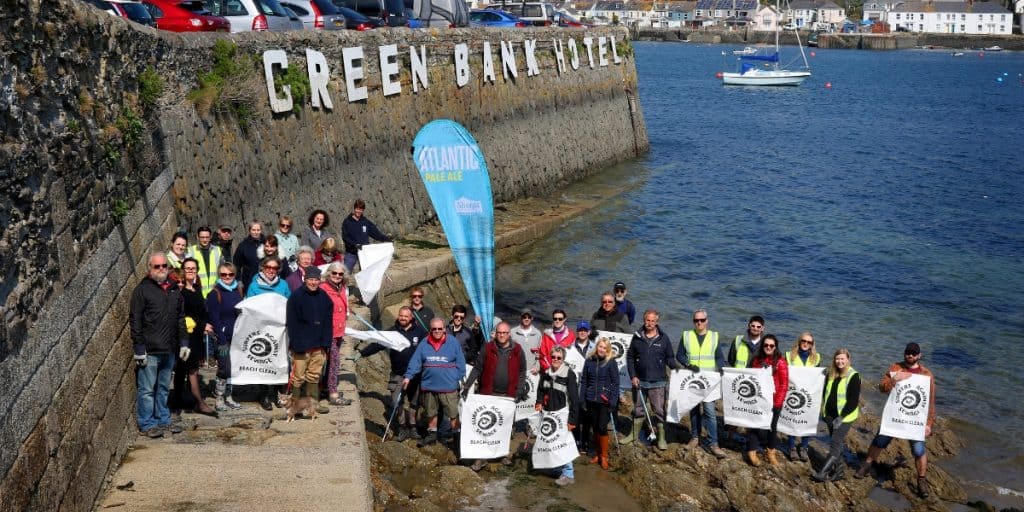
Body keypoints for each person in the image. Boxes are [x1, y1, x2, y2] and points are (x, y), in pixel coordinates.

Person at [855, 343, 936, 498]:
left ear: (919, 355)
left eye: (913, 353)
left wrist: (929, 424)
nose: (910, 355)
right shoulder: (895, 368)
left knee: (919, 450)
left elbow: (930, 402)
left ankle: (921, 480)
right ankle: (866, 465)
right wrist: (895, 379)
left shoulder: (927, 375)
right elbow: (881, 388)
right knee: (879, 441)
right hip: (895, 417)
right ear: (904, 353)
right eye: (908, 352)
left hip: (915, 420)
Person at [130, 252, 187, 438]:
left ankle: (163, 418)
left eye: (164, 266)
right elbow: (135, 320)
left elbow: (180, 318)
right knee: (147, 389)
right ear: (150, 268)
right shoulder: (142, 291)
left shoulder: (173, 289)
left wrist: (184, 342)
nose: (161, 269)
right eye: (157, 266)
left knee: (163, 387)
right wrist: (139, 348)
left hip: (169, 348)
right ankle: (147, 423)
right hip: (151, 349)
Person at [353, 307, 427, 442]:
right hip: (398, 374)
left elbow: (428, 349)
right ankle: (402, 427)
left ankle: (413, 427)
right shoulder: (392, 331)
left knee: (414, 403)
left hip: (416, 375)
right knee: (395, 401)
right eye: (401, 315)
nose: (403, 318)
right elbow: (378, 344)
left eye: (406, 316)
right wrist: (361, 353)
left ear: (411, 317)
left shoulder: (420, 332)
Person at [464, 322, 528, 471]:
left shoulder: (517, 350)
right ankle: (481, 458)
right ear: (496, 333)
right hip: (488, 393)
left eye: (505, 333)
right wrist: (467, 386)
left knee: (505, 426)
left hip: (508, 395)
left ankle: (503, 454)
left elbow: (522, 371)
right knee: (485, 426)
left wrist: (519, 390)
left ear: (509, 334)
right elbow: (478, 368)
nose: (502, 335)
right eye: (499, 332)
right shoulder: (487, 347)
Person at [622, 310, 682, 450]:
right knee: (638, 409)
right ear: (644, 320)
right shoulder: (637, 337)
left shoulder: (664, 338)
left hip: (658, 382)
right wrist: (633, 376)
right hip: (639, 382)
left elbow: (670, 358)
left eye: (652, 321)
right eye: (647, 320)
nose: (649, 323)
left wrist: (679, 369)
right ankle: (633, 435)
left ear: (657, 322)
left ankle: (661, 438)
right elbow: (630, 357)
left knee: (659, 411)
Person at [403, 317, 466, 447]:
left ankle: (457, 438)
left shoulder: (453, 342)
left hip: (448, 387)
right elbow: (416, 361)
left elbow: (461, 363)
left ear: (444, 329)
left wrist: (456, 378)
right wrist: (408, 376)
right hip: (429, 386)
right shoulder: (424, 343)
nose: (437, 331)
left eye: (440, 329)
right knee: (431, 413)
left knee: (453, 414)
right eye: (434, 329)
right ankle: (432, 435)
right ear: (430, 330)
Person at [675, 308, 727, 458]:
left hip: (708, 381)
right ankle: (695, 438)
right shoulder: (686, 335)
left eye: (702, 320)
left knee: (710, 412)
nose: (699, 323)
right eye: (696, 320)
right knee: (694, 411)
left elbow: (719, 358)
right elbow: (679, 355)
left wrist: (723, 370)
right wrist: (687, 364)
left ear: (707, 321)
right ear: (693, 322)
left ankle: (713, 443)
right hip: (692, 380)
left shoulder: (714, 336)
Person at [171, 258, 218, 417]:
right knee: (188, 369)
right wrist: (202, 325)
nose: (190, 271)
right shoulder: (182, 292)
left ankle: (181, 401)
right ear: (183, 271)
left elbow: (201, 311)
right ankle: (199, 403)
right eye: (187, 268)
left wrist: (207, 324)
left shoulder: (196, 289)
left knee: (187, 369)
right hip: (187, 336)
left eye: (193, 268)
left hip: (197, 336)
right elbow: (184, 316)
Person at [285, 267, 333, 414]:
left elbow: (327, 322)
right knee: (298, 377)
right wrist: (297, 344)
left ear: (320, 281)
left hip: (318, 345)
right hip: (301, 346)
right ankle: (295, 406)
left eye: (316, 279)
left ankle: (314, 405)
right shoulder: (296, 297)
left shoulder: (324, 297)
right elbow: (292, 324)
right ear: (305, 279)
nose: (313, 282)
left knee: (314, 376)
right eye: (310, 279)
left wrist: (327, 343)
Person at [812, 348, 861, 482]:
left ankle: (823, 472)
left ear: (848, 360)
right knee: (836, 443)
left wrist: (841, 417)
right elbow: (824, 393)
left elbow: (853, 401)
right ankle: (839, 472)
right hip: (830, 416)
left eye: (842, 359)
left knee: (835, 442)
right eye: (837, 358)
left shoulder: (853, 376)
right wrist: (825, 413)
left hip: (845, 417)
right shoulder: (831, 374)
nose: (839, 361)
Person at [536, 346, 580, 486]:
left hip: (563, 414)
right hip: (549, 413)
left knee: (563, 444)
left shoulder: (569, 374)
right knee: (551, 441)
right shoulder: (546, 373)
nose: (555, 360)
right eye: (553, 357)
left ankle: (568, 473)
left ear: (563, 359)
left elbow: (574, 399)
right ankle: (556, 468)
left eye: (559, 358)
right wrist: (539, 402)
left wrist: (572, 420)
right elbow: (541, 390)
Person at [205, 262, 244, 411]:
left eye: (230, 274)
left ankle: (229, 396)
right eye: (223, 274)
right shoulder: (215, 294)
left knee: (233, 368)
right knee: (224, 367)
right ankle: (219, 397)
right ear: (219, 275)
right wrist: (221, 339)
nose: (227, 277)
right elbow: (214, 318)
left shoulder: (238, 291)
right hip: (222, 339)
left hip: (237, 338)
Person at [745, 334, 788, 466]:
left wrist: (778, 403)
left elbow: (783, 384)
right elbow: (749, 377)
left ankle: (770, 452)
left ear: (775, 347)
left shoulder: (780, 362)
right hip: (758, 400)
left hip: (774, 401)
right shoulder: (756, 360)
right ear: (762, 345)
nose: (768, 347)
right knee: (754, 425)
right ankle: (752, 451)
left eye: (771, 345)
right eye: (766, 345)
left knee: (772, 427)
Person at [580, 337, 619, 470]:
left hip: (605, 400)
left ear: (608, 350)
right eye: (600, 347)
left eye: (604, 347)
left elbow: (615, 383)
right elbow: (584, 380)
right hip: (591, 399)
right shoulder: (589, 361)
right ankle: (597, 453)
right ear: (596, 347)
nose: (601, 349)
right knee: (595, 428)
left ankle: (604, 456)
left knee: (602, 427)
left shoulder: (611, 362)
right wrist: (582, 399)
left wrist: (613, 401)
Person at [786, 332, 822, 462]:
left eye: (809, 342)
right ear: (799, 341)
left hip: (809, 394)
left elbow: (818, 377)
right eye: (804, 341)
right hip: (793, 393)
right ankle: (791, 447)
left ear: (812, 344)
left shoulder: (816, 358)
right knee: (792, 419)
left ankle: (804, 447)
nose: (806, 344)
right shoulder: (789, 356)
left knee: (807, 420)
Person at [320, 261, 352, 406]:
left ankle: (324, 387)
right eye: (334, 273)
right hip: (328, 332)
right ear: (329, 273)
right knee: (334, 361)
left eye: (340, 273)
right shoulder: (323, 289)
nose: (337, 276)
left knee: (331, 361)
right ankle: (333, 393)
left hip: (339, 331)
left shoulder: (342, 288)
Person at [340, 199, 390, 272]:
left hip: (364, 252)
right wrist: (355, 245)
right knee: (344, 273)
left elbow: (376, 233)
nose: (359, 211)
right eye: (357, 209)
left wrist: (386, 239)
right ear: (354, 209)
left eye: (361, 209)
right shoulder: (347, 222)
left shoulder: (365, 222)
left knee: (366, 273)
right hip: (351, 253)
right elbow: (345, 237)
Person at [569, 321, 596, 454]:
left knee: (587, 415)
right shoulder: (569, 348)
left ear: (589, 332)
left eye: (585, 330)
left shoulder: (595, 348)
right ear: (577, 332)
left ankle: (585, 441)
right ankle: (575, 440)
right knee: (575, 414)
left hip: (589, 386)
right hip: (574, 386)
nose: (583, 332)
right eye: (580, 330)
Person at [186, 226, 225, 298]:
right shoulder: (190, 251)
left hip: (215, 292)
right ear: (197, 237)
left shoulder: (218, 250)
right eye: (202, 237)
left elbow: (223, 272)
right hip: (197, 293)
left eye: (207, 237)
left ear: (210, 237)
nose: (205, 240)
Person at [233, 220, 265, 294]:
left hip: (266, 280)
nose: (256, 232)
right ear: (249, 230)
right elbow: (236, 264)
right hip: (249, 281)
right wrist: (239, 280)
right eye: (253, 230)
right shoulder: (243, 246)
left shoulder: (267, 243)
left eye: (258, 230)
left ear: (261, 230)